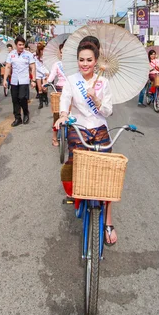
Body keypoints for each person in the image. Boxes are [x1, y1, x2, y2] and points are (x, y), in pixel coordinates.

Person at [55, 41, 117, 245]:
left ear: (96, 62)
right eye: (81, 60)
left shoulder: (104, 83)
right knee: (76, 165)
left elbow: (108, 111)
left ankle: (108, 221)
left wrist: (97, 100)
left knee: (109, 175)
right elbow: (65, 99)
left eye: (89, 60)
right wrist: (63, 114)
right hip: (79, 128)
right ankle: (79, 195)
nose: (85, 63)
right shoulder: (72, 80)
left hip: (100, 127)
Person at [3, 35, 36, 126]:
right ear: (16, 45)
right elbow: (8, 67)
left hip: (24, 80)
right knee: (15, 100)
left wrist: (33, 80)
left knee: (22, 98)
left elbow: (33, 67)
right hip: (14, 80)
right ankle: (17, 118)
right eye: (20, 45)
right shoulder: (11, 54)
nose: (22, 47)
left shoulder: (28, 55)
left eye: (23, 45)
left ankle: (26, 113)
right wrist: (5, 79)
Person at [46, 42, 67, 146]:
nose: (63, 54)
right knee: (56, 114)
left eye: (66, 51)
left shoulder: (76, 64)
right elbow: (51, 78)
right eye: (62, 52)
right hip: (59, 89)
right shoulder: (57, 64)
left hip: (72, 91)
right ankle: (54, 137)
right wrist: (47, 82)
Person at [35, 43, 49, 110]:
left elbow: (47, 65)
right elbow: (37, 67)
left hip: (45, 74)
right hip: (38, 74)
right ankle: (41, 103)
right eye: (42, 50)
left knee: (44, 88)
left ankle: (45, 98)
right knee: (40, 89)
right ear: (39, 50)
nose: (43, 51)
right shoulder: (35, 57)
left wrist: (47, 72)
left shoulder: (46, 57)